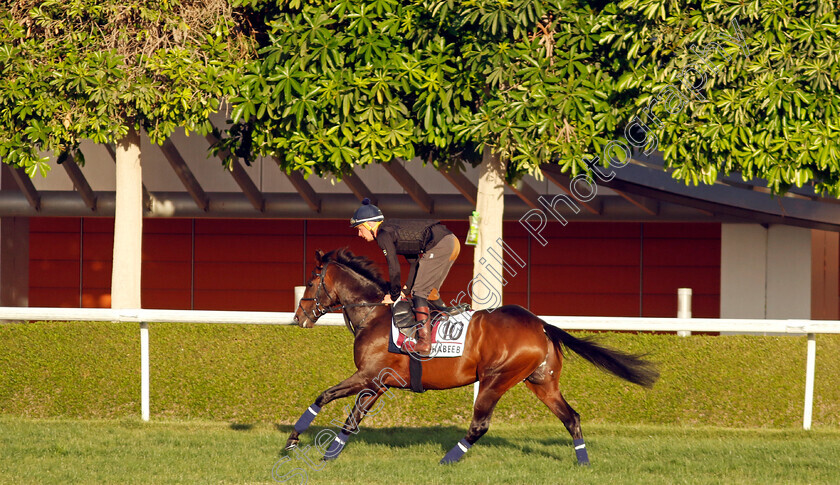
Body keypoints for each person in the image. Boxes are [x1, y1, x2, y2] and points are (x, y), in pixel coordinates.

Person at [350, 198, 460, 356]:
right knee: (429, 293)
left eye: (360, 228)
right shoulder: (394, 231)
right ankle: (445, 323)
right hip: (451, 242)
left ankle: (424, 343)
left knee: (420, 293)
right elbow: (415, 263)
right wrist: (404, 290)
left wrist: (394, 295)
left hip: (441, 244)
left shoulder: (383, 234)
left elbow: (394, 268)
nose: (359, 234)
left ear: (370, 224)